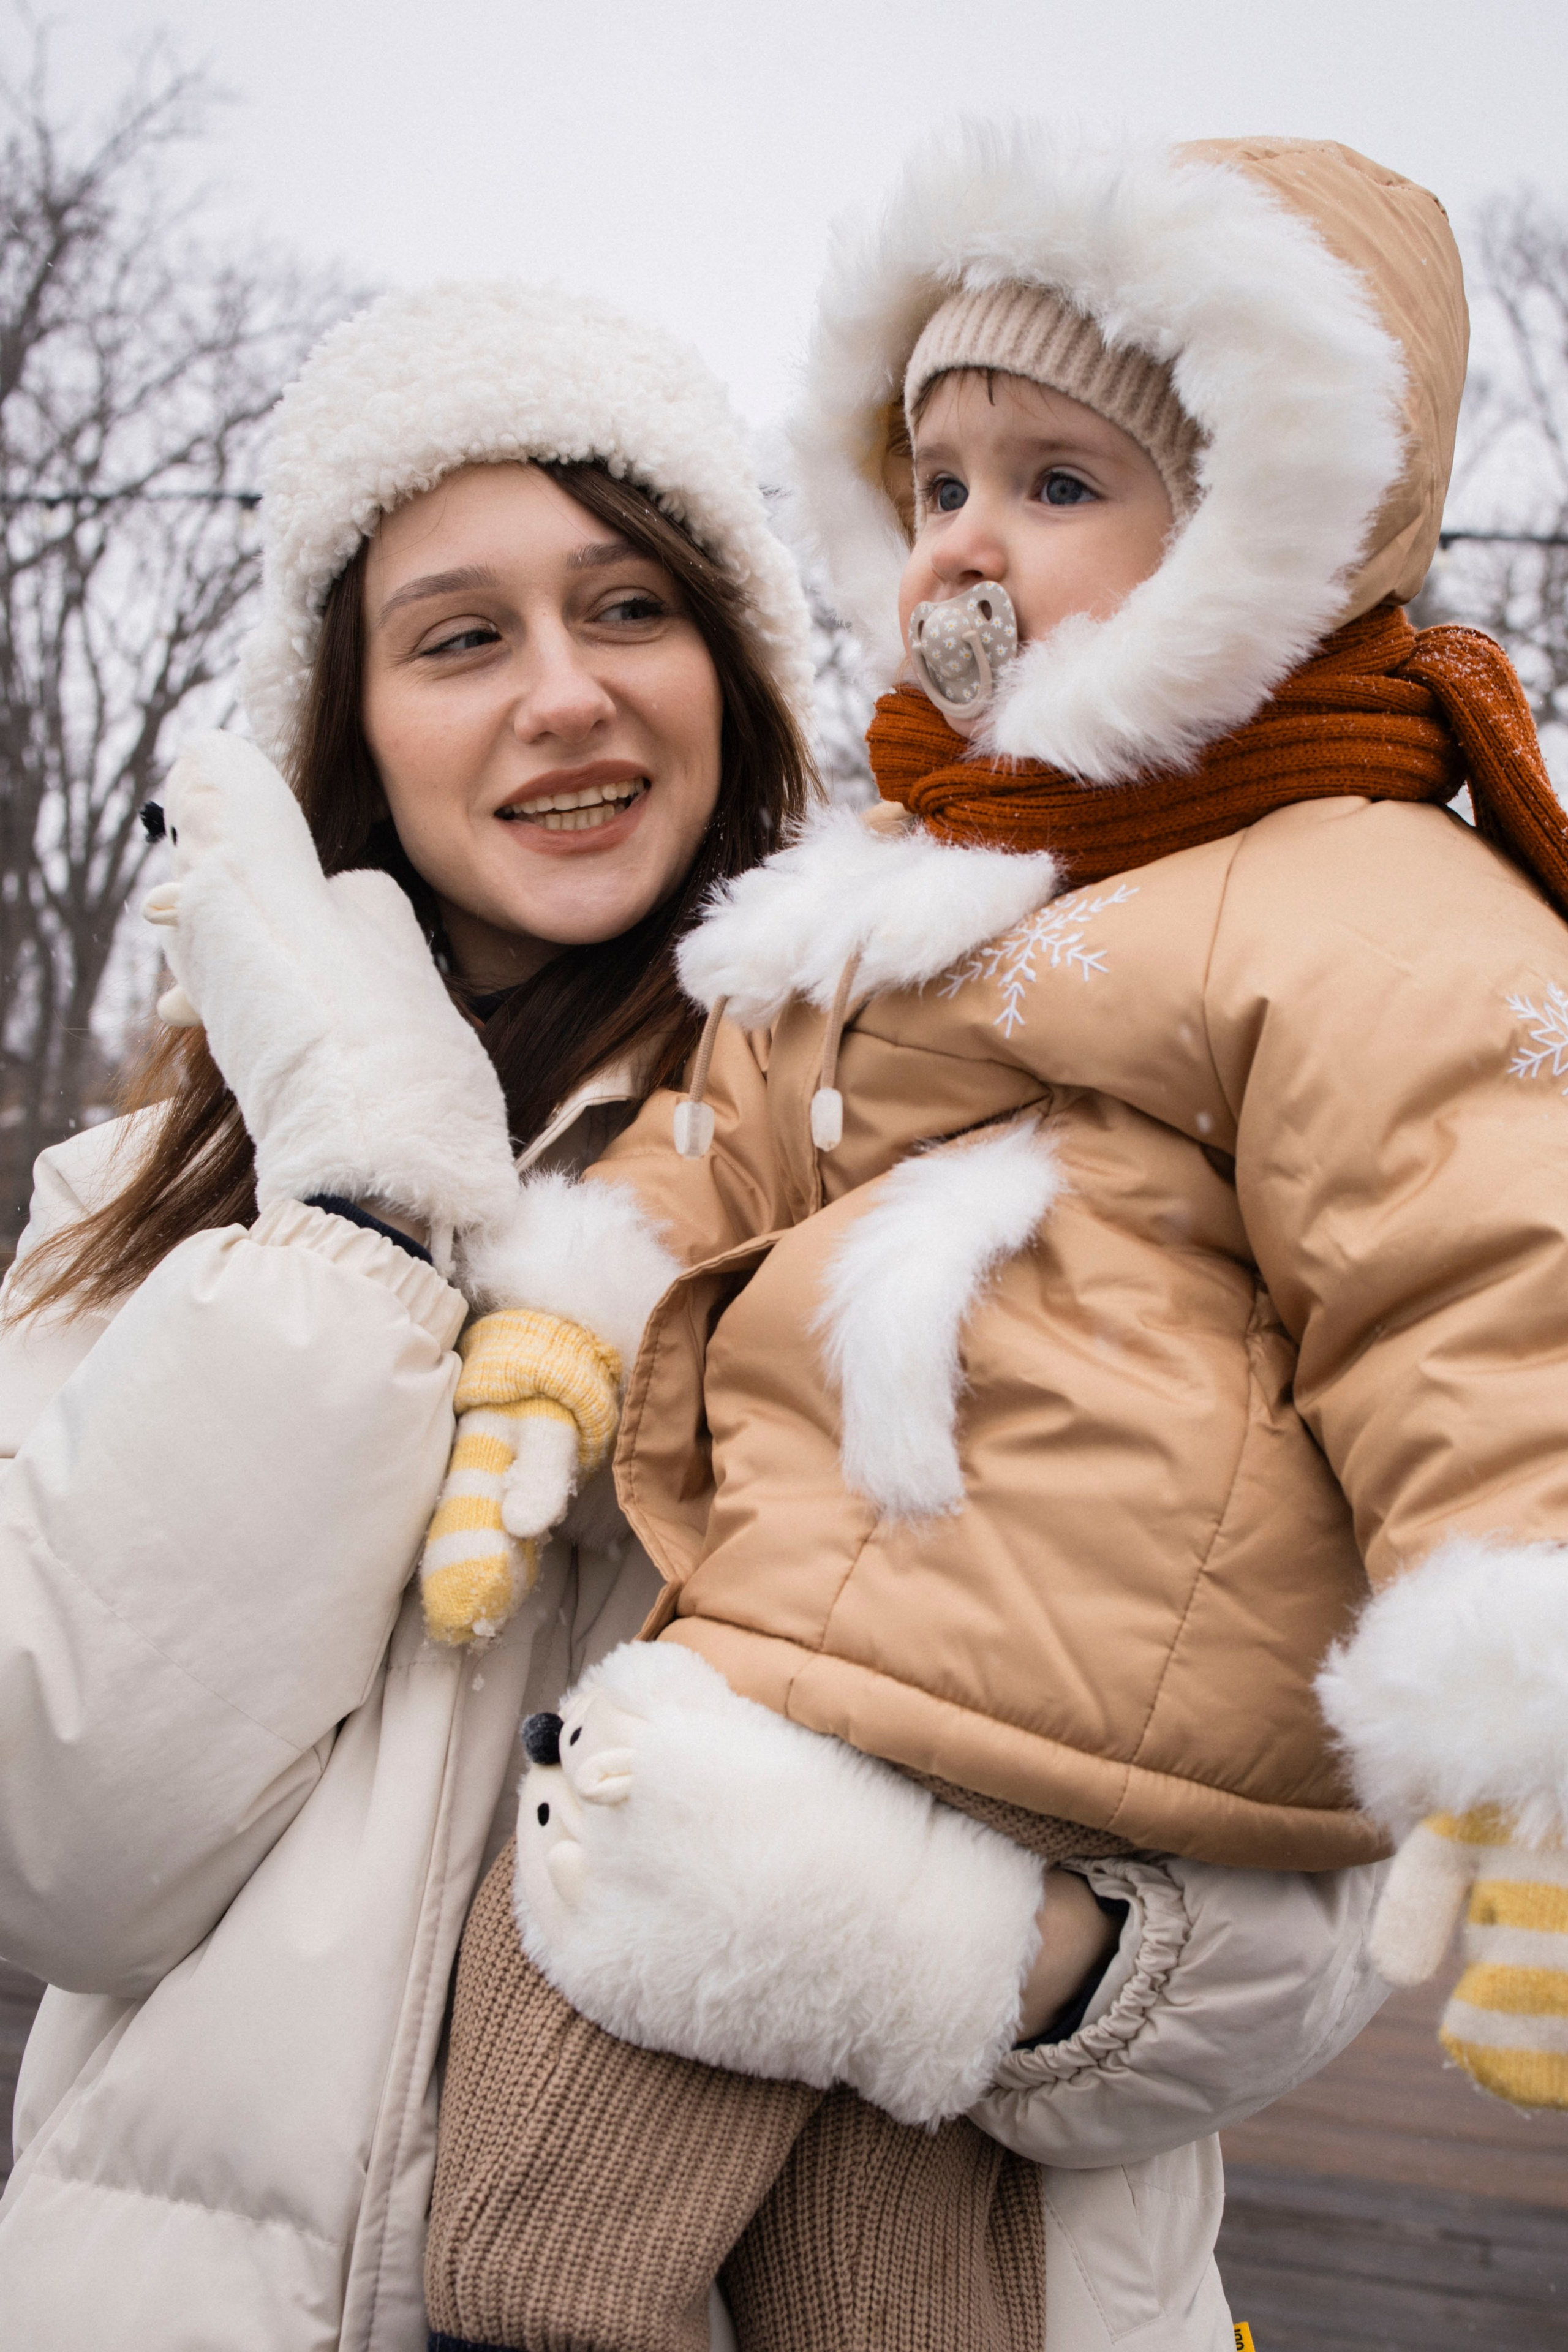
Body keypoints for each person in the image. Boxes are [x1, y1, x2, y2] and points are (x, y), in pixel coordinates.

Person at [415, 129, 1568, 2351]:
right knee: (893, 2276)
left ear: (1266, 525)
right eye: (938, 481)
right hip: (876, 1649)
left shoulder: (1366, 900)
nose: (966, 549)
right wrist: (565, 1341)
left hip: (1008, 1667)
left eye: (1061, 484)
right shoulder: (924, 875)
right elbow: (724, 1134)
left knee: (548, 2188)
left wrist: (1530, 1736)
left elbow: (1489, 1309)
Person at [0, 279, 816, 2351]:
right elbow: (56, 1859)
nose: (565, 694)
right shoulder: (131, 1222)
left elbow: (1257, 1916)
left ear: (738, 667)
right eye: (462, 636)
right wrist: (359, 1206)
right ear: (348, 731)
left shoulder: (950, 1142)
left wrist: (1076, 1970)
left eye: (630, 608)